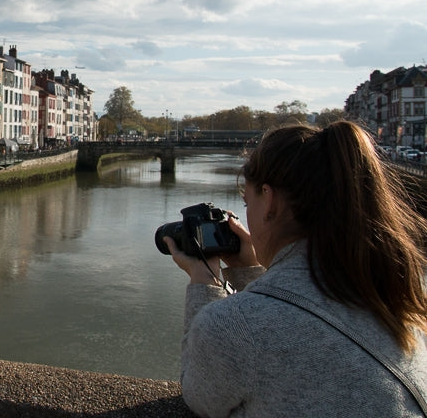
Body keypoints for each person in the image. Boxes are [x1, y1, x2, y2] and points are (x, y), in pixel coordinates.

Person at [164, 120, 427, 417]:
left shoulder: (232, 325)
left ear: (270, 200)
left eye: (247, 204)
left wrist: (204, 283)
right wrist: (253, 272)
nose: (246, 217)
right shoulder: (395, 296)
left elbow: (200, 396)